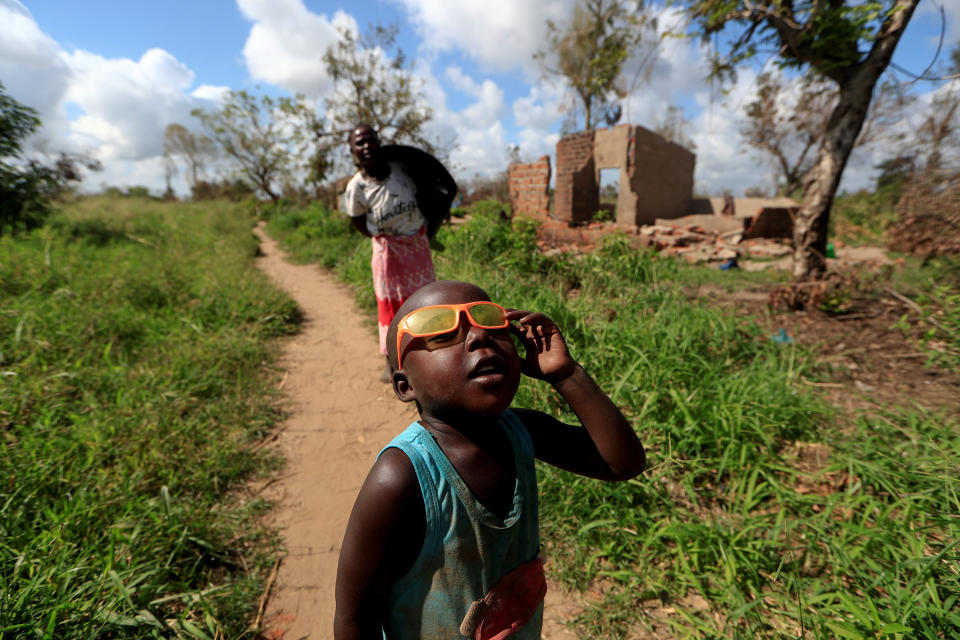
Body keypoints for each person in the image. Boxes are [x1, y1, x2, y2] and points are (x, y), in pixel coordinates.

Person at [334, 279, 646, 639]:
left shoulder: (524, 431)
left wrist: (566, 373)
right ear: (405, 385)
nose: (479, 338)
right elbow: (354, 619)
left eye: (491, 325)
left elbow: (622, 462)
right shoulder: (401, 476)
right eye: (440, 334)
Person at [342, 124, 438, 382]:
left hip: (417, 246)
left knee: (424, 299)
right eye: (359, 143)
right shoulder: (356, 188)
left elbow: (427, 193)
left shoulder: (401, 170)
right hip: (387, 252)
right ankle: (392, 361)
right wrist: (386, 238)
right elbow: (358, 221)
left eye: (370, 140)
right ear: (352, 151)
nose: (366, 147)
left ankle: (428, 353)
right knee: (390, 306)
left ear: (378, 142)